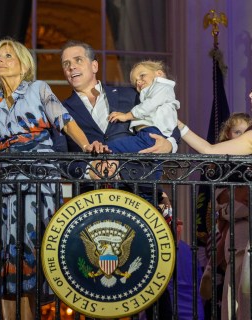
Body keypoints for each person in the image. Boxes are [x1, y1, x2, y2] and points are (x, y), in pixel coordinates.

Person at [0, 38, 105, 320]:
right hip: (7, 192)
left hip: (39, 188)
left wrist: (86, 147)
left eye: (7, 55)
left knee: (32, 262)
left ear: (23, 65)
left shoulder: (38, 89)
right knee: (7, 264)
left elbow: (65, 121)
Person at [60, 39, 178, 320]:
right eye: (65, 63)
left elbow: (166, 119)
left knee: (152, 277)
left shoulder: (129, 95)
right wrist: (89, 171)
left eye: (77, 60)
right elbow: (60, 159)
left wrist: (170, 143)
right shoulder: (62, 110)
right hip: (91, 204)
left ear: (94, 65)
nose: (71, 67)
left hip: (140, 191)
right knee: (92, 284)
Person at [176, 114, 252, 320]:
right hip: (236, 233)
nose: (250, 95)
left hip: (244, 233)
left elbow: (209, 150)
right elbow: (210, 152)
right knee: (234, 302)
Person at [107, 60, 180, 153]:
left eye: (142, 75)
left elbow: (149, 105)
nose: (138, 82)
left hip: (153, 134)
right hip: (147, 134)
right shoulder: (151, 92)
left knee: (112, 147)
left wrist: (126, 116)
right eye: (135, 82)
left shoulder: (163, 87)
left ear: (159, 73)